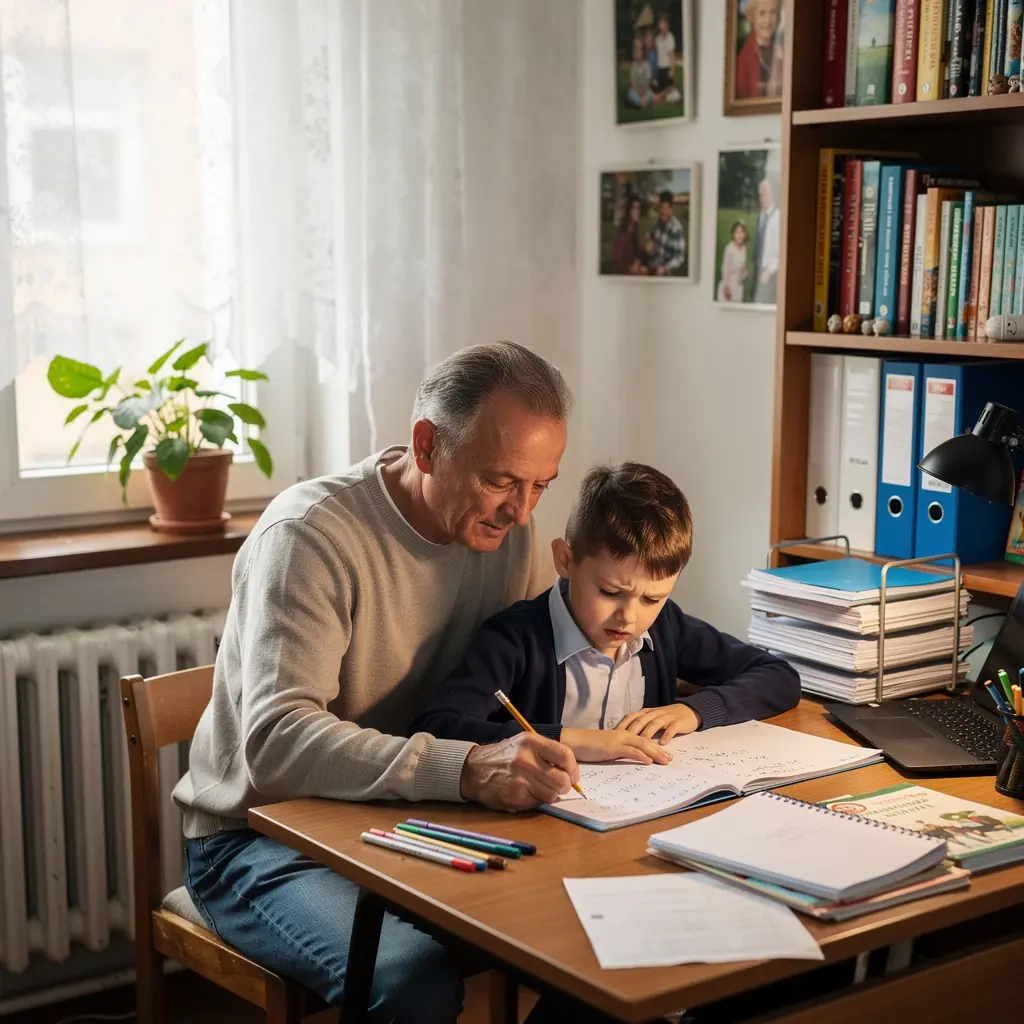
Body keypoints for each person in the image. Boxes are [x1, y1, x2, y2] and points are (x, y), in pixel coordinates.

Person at [173, 342, 649, 1022]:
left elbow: (516, 680)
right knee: (408, 977)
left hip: (404, 817)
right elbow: (275, 745)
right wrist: (466, 766)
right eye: (500, 480)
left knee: (602, 928)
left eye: (541, 485)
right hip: (258, 838)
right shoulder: (310, 537)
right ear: (427, 447)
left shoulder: (508, 535)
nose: (520, 512)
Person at [411, 462, 800, 753]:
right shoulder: (514, 640)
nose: (629, 617)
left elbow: (778, 676)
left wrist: (694, 712)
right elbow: (437, 726)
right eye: (610, 591)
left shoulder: (666, 628)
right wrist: (572, 741)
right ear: (565, 561)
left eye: (652, 598)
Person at [735, 0, 784, 101]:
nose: (768, 20)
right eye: (762, 13)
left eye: (773, 12)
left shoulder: (784, 48)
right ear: (753, 17)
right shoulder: (744, 58)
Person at [646, 189, 687, 277]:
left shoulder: (676, 229)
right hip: (652, 268)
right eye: (662, 208)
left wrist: (665, 268)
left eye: (667, 208)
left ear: (671, 209)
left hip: (666, 273)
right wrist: (649, 248)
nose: (664, 212)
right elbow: (651, 247)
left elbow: (679, 258)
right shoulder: (655, 225)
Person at [753, 178, 780, 304]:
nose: (761, 197)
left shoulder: (777, 217)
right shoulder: (761, 217)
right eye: (760, 194)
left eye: (764, 193)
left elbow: (780, 251)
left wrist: (769, 271)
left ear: (772, 193)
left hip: (771, 272)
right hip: (759, 268)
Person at [609, 193, 648, 275]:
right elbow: (616, 263)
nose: (637, 212)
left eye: (638, 208)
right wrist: (631, 269)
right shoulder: (622, 233)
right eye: (634, 208)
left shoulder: (637, 229)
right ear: (629, 210)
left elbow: (638, 253)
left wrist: (644, 250)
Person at [716, 220, 750, 302]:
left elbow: (742, 267)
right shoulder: (729, 248)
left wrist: (745, 273)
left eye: (742, 233)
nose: (740, 235)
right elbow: (725, 268)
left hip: (738, 285)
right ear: (733, 234)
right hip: (729, 284)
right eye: (737, 233)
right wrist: (726, 287)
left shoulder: (744, 249)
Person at [652, 11, 678, 102]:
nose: (662, 26)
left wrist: (671, 72)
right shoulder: (657, 39)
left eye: (664, 23)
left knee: (672, 93)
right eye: (660, 24)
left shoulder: (670, 38)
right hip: (659, 70)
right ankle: (659, 94)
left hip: (667, 69)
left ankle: (659, 96)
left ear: (667, 25)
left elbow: (672, 56)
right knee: (655, 86)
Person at [626, 36, 655, 108]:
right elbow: (632, 81)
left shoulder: (647, 65)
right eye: (635, 51)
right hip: (636, 89)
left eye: (639, 51)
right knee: (631, 93)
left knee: (649, 94)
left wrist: (644, 90)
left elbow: (648, 81)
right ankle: (641, 102)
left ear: (643, 52)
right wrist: (638, 90)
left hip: (645, 89)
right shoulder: (633, 65)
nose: (636, 53)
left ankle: (641, 102)